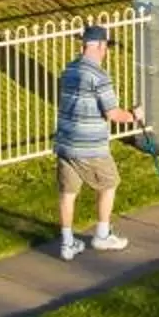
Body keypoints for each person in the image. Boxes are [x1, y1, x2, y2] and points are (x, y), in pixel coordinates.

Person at [55, 23, 141, 261]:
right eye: (106, 47)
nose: (107, 52)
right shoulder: (99, 76)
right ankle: (102, 235)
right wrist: (134, 116)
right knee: (110, 183)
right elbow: (113, 114)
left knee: (68, 192)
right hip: (89, 145)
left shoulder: (69, 70)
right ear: (101, 46)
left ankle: (67, 243)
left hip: (65, 142)